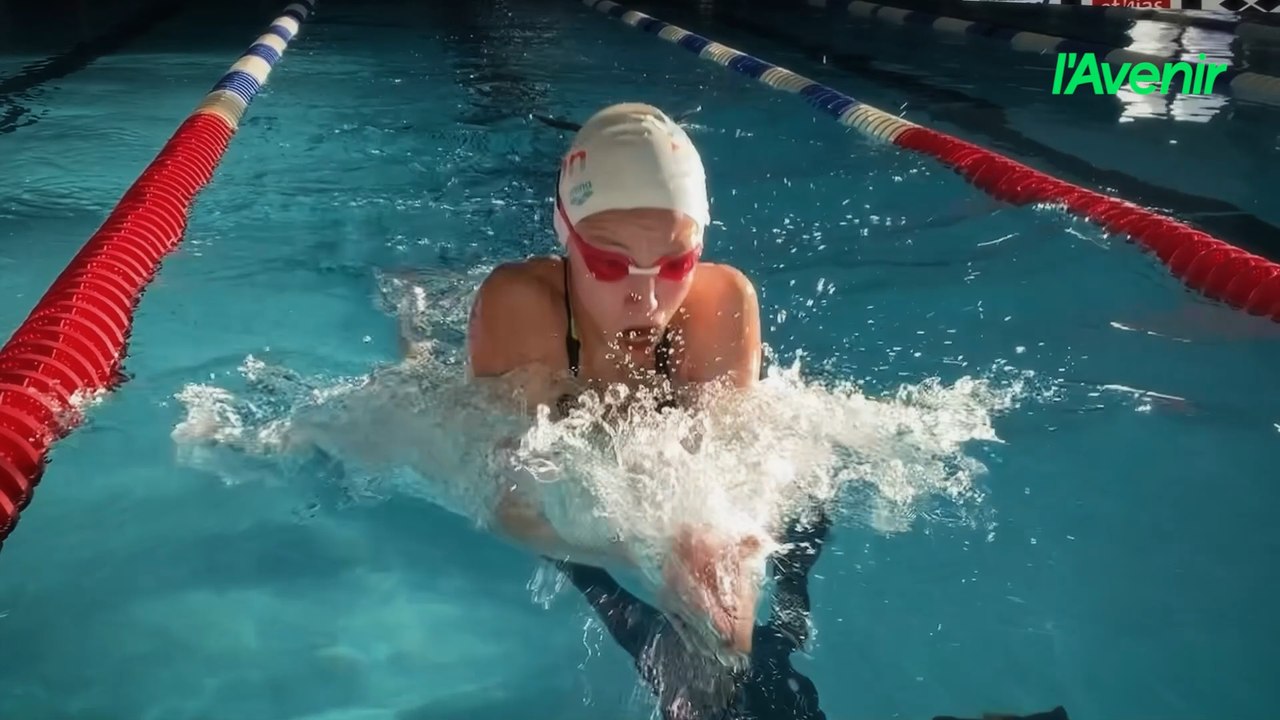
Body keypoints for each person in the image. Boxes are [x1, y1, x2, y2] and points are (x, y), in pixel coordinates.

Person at [465, 102, 830, 719]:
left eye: (675, 263)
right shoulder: (521, 312)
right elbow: (506, 504)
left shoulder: (722, 304)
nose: (645, 293)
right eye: (609, 263)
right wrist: (633, 550)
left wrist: (718, 553)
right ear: (565, 236)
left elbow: (736, 465)